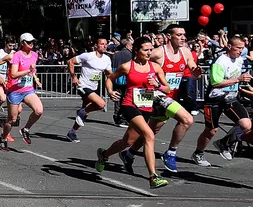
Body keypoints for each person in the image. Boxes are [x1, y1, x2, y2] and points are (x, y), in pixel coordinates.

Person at [95, 36, 170, 189]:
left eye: (151, 50)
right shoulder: (127, 66)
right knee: (149, 135)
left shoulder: (155, 67)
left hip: (146, 107)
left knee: (127, 142)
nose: (149, 53)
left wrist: (158, 85)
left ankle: (104, 155)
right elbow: (110, 78)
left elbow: (167, 89)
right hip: (129, 105)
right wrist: (110, 91)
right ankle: (153, 177)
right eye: (145, 50)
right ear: (136, 50)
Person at [192, 35, 253, 166]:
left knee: (246, 124)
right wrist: (238, 80)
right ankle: (198, 153)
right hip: (214, 99)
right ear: (229, 47)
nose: (241, 51)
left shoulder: (239, 60)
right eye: (238, 48)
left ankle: (224, 143)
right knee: (211, 130)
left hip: (230, 98)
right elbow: (216, 82)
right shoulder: (220, 62)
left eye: (242, 48)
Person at [148, 25, 199, 173]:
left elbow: (193, 70)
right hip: (157, 95)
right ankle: (170, 153)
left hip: (171, 95)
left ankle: (129, 153)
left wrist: (197, 72)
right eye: (179, 35)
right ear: (169, 37)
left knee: (150, 132)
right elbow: (137, 62)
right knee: (187, 119)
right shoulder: (158, 53)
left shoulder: (186, 52)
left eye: (184, 34)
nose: (183, 38)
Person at [0, 33, 44, 151]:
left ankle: (25, 129)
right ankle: (3, 137)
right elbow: (14, 74)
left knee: (39, 110)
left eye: (32, 42)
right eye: (29, 42)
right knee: (12, 120)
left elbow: (32, 70)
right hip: (15, 91)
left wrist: (36, 79)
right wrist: (27, 71)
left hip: (28, 89)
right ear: (22, 43)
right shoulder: (17, 55)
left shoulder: (34, 55)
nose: (31, 44)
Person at [65, 38, 113, 143]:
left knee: (85, 113)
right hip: (83, 86)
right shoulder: (88, 56)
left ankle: (72, 132)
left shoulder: (107, 59)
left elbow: (109, 73)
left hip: (93, 87)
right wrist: (74, 77)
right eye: (102, 44)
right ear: (96, 46)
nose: (104, 46)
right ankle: (81, 112)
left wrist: (121, 75)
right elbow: (70, 61)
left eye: (106, 44)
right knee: (101, 104)